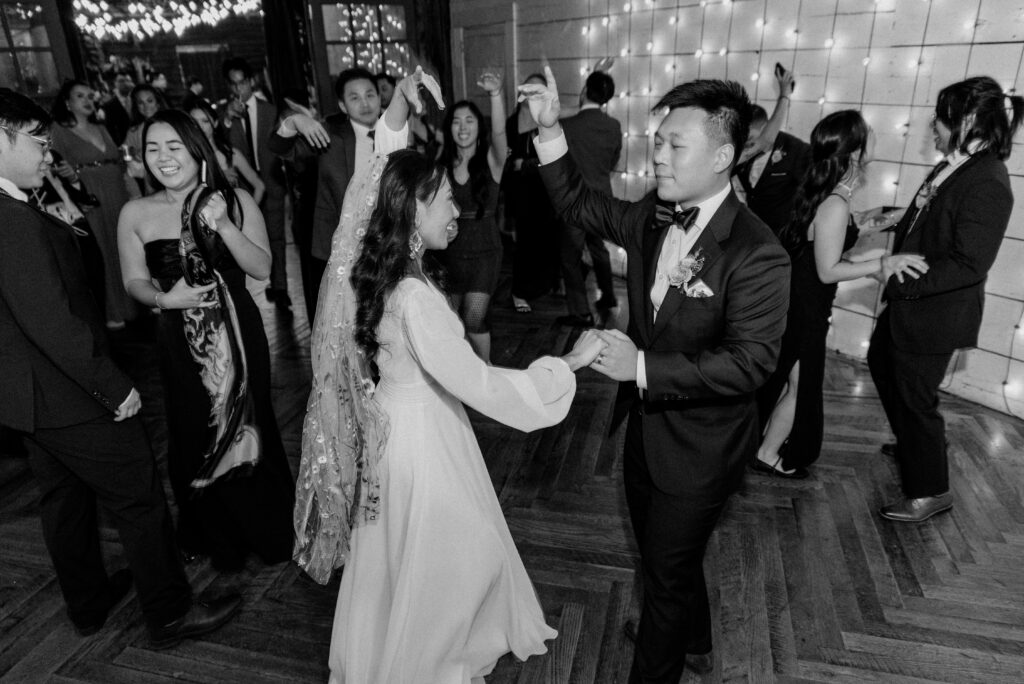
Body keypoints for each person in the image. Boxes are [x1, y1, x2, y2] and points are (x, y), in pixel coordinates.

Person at [522, 69, 791, 681]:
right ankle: (693, 638)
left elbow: (751, 362)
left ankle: (666, 653)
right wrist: (548, 130)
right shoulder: (654, 215)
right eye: (659, 142)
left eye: (675, 146)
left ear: (723, 156)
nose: (659, 157)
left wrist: (639, 366)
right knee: (663, 556)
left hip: (701, 444)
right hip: (645, 431)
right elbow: (578, 202)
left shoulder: (757, 251)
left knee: (664, 577)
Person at [324, 146, 604, 681]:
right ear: (412, 210)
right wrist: (567, 363)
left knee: (404, 556)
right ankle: (423, 659)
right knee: (457, 552)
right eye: (448, 201)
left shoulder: (391, 275)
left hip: (400, 425)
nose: (458, 212)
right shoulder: (414, 296)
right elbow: (478, 382)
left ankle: (397, 645)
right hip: (421, 440)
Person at [0, 87, 240, 649]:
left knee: (64, 501)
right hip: (67, 390)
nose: (47, 152)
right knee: (138, 496)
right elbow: (50, 320)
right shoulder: (9, 219)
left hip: (27, 394)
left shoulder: (15, 204)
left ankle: (88, 603)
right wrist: (112, 387)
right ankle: (171, 612)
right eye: (36, 140)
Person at [116, 109, 296, 571]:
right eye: (152, 149)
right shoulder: (135, 212)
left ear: (197, 149)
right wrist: (163, 299)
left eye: (174, 146)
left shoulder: (233, 200)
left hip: (238, 333)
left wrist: (226, 226)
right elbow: (132, 281)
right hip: (178, 337)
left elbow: (262, 268)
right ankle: (215, 534)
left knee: (250, 418)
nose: (163, 158)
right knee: (193, 425)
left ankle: (265, 526)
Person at [868, 76, 1022, 522]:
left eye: (940, 116)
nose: (932, 125)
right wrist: (894, 219)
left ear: (968, 119)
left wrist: (901, 283)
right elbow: (933, 214)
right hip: (909, 305)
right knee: (882, 365)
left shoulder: (989, 179)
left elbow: (970, 263)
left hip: (933, 312)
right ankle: (917, 445)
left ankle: (931, 490)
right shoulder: (955, 163)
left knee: (917, 399)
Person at [753, 111, 928, 478]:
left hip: (801, 302)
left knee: (793, 382)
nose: (875, 140)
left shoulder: (830, 196)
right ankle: (766, 453)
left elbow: (848, 227)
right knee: (800, 387)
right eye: (870, 135)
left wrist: (892, 215)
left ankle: (759, 446)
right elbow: (828, 269)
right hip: (806, 308)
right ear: (856, 151)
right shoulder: (834, 203)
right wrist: (883, 263)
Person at [268, 66, 391, 323]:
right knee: (344, 323)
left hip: (386, 248)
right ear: (342, 106)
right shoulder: (329, 137)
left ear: (380, 98)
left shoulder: (395, 134)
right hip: (339, 250)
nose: (365, 103)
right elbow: (279, 147)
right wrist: (294, 120)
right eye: (354, 97)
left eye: (370, 95)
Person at [50, 79, 134, 329]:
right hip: (90, 195)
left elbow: (119, 163)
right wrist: (74, 192)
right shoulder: (58, 130)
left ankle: (133, 302)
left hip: (116, 191)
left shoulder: (102, 127)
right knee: (102, 251)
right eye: (80, 96)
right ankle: (112, 310)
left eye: (90, 96)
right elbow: (54, 170)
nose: (88, 100)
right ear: (67, 103)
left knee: (125, 246)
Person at [438, 72, 507, 362]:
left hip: (485, 252)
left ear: (480, 127)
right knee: (454, 320)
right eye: (456, 121)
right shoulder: (440, 163)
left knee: (475, 315)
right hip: (450, 251)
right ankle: (467, 372)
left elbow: (501, 134)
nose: (463, 127)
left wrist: (495, 95)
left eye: (469, 121)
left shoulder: (493, 160)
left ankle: (487, 368)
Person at [220, 57, 290, 306]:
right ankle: (239, 296)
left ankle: (280, 287)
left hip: (271, 181)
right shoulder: (224, 114)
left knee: (277, 237)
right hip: (242, 188)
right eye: (233, 84)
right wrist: (227, 120)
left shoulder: (271, 110)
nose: (239, 89)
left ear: (251, 82)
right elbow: (220, 145)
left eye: (243, 82)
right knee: (242, 238)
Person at [557, 68, 622, 328]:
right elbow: (612, 161)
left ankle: (580, 311)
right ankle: (608, 296)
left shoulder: (568, 125)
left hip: (574, 200)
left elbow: (559, 164)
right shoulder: (614, 126)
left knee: (570, 257)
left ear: (584, 91)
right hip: (601, 200)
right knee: (598, 249)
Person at [506, 72, 562, 313]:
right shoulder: (513, 121)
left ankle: (544, 285)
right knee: (525, 244)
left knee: (547, 241)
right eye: (531, 90)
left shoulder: (549, 121)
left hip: (548, 192)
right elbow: (511, 162)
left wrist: (527, 164)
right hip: (522, 194)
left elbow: (555, 158)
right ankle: (519, 292)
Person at [733, 68, 808, 236]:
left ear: (766, 128)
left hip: (784, 236)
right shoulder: (737, 153)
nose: (747, 144)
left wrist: (784, 94)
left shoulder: (795, 149)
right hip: (752, 233)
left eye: (751, 138)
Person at [188, 98, 265, 203]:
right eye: (194, 122)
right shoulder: (187, 157)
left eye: (205, 121)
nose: (200, 126)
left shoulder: (231, 154)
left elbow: (259, 186)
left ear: (215, 123)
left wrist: (249, 215)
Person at [124, 83, 168, 196]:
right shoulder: (134, 131)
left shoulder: (172, 125)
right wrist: (133, 158)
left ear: (158, 103)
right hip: (152, 185)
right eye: (140, 103)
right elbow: (125, 151)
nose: (146, 106)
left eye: (150, 101)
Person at [101, 68, 135, 146]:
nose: (125, 83)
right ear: (115, 84)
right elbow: (110, 130)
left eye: (128, 80)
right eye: (121, 81)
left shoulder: (137, 100)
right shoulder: (109, 106)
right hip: (124, 145)